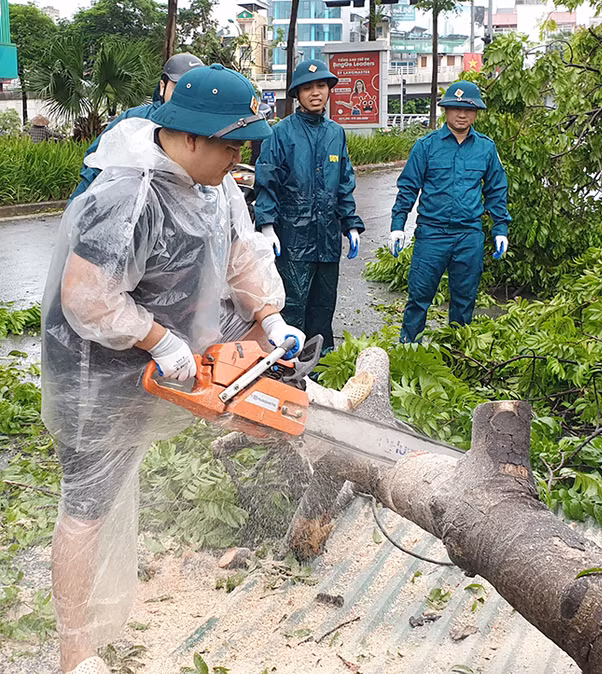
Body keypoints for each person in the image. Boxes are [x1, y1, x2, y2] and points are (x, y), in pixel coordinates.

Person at [41, 64, 303, 674]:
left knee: (269, 379)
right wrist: (159, 340)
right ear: (188, 137)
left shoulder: (217, 188)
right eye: (231, 144)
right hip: (95, 367)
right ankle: (74, 649)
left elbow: (243, 255)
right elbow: (87, 297)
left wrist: (269, 319)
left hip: (181, 340)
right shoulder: (128, 194)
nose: (240, 157)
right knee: (88, 503)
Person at [389, 80, 511, 343]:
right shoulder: (426, 146)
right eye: (455, 108)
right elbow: (408, 187)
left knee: (464, 299)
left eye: (468, 109)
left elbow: (496, 190)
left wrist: (501, 229)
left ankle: (457, 352)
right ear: (446, 110)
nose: (462, 114)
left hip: (469, 235)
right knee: (419, 297)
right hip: (432, 234)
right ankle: (408, 350)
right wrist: (398, 226)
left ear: (476, 112)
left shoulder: (486, 148)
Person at [255, 59, 365, 349]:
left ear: (328, 90)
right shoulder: (281, 133)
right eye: (307, 88)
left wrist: (350, 224)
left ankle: (322, 362)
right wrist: (267, 225)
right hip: (293, 236)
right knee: (293, 304)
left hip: (327, 238)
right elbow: (268, 179)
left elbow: (344, 182)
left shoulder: (335, 133)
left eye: (320, 86)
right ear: (297, 94)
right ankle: (287, 365)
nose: (315, 93)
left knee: (323, 305)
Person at [70, 52, 205, 200]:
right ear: (162, 86)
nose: (185, 98)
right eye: (179, 89)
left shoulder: (206, 129)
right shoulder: (133, 121)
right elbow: (95, 165)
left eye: (194, 91)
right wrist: (81, 210)